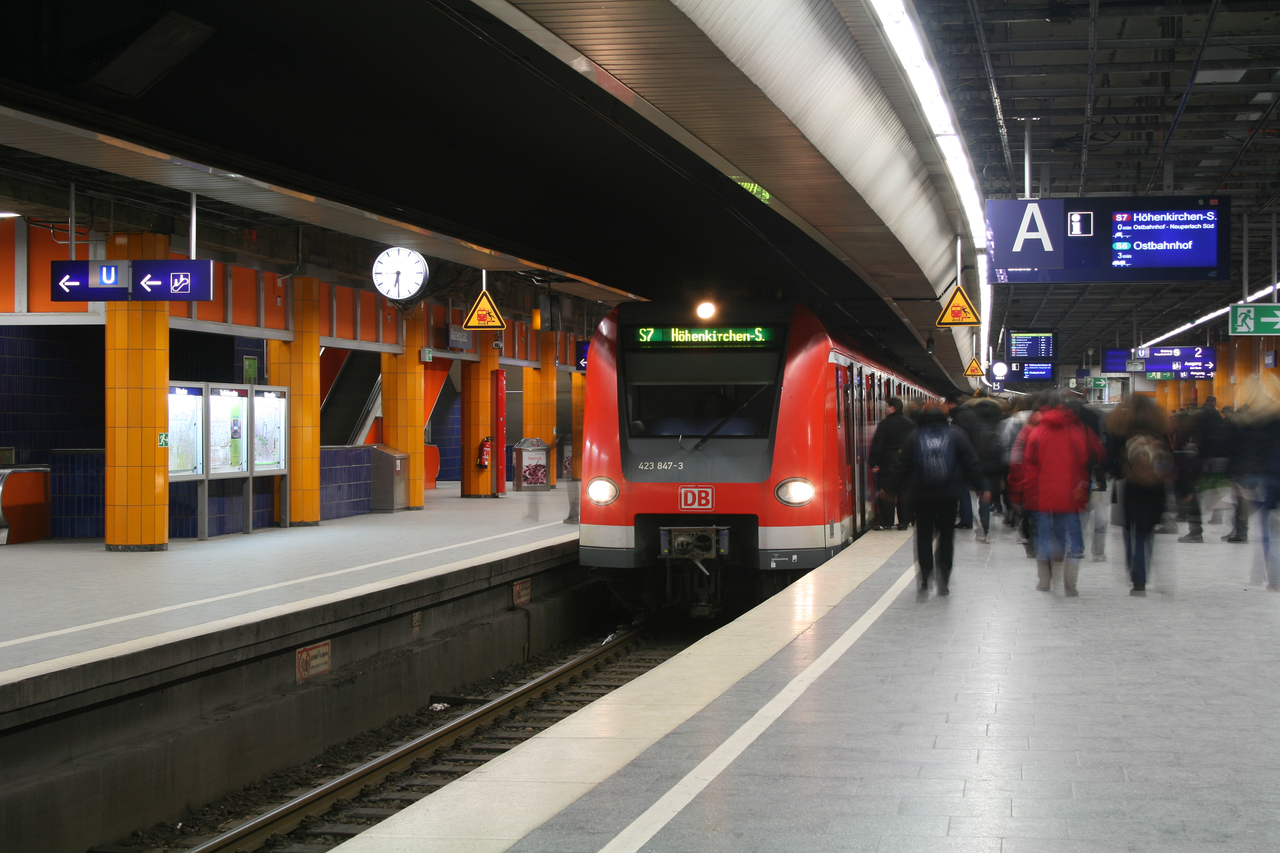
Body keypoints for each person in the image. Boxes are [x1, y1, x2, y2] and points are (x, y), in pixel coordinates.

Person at [895, 402, 989, 596]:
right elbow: (971, 462)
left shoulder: (915, 435)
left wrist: (891, 489)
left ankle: (925, 578)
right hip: (949, 494)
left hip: (921, 495)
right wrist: (981, 486)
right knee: (946, 536)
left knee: (923, 536)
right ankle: (944, 579)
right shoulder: (956, 434)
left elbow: (903, 466)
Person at [1021, 391, 1105, 596]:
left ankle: (1045, 580)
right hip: (1070, 494)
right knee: (1072, 538)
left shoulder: (1037, 432)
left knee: (1043, 534)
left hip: (1043, 493)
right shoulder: (1075, 431)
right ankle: (1070, 582)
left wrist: (1027, 492)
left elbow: (1029, 464)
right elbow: (1094, 454)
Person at [1106, 395, 1172, 595]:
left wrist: (1116, 472)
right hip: (1155, 489)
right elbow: (1170, 461)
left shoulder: (1120, 430)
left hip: (1129, 487)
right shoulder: (1159, 430)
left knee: (1129, 532)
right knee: (1146, 533)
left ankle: (1135, 575)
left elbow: (1109, 460)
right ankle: (1141, 574)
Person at [1220, 375, 1280, 588]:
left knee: (1266, 527)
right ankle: (1271, 573)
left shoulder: (1241, 422)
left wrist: (1235, 480)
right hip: (1275, 475)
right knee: (1274, 526)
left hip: (1256, 478)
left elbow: (1232, 452)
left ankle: (1269, 574)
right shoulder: (1276, 417)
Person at [868, 397, 915, 530]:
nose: (885, 410)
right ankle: (904, 523)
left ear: (892, 408)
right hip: (907, 464)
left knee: (887, 493)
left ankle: (886, 523)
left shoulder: (885, 424)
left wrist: (874, 463)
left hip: (888, 464)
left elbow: (878, 445)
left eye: (886, 407)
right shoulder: (911, 424)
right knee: (904, 493)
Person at [943, 393, 982, 529]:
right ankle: (965, 518)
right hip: (968, 458)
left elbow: (960, 441)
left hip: (961, 461)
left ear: (950, 403)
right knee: (962, 490)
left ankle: (966, 519)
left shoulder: (960, 417)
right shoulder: (968, 414)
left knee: (961, 491)